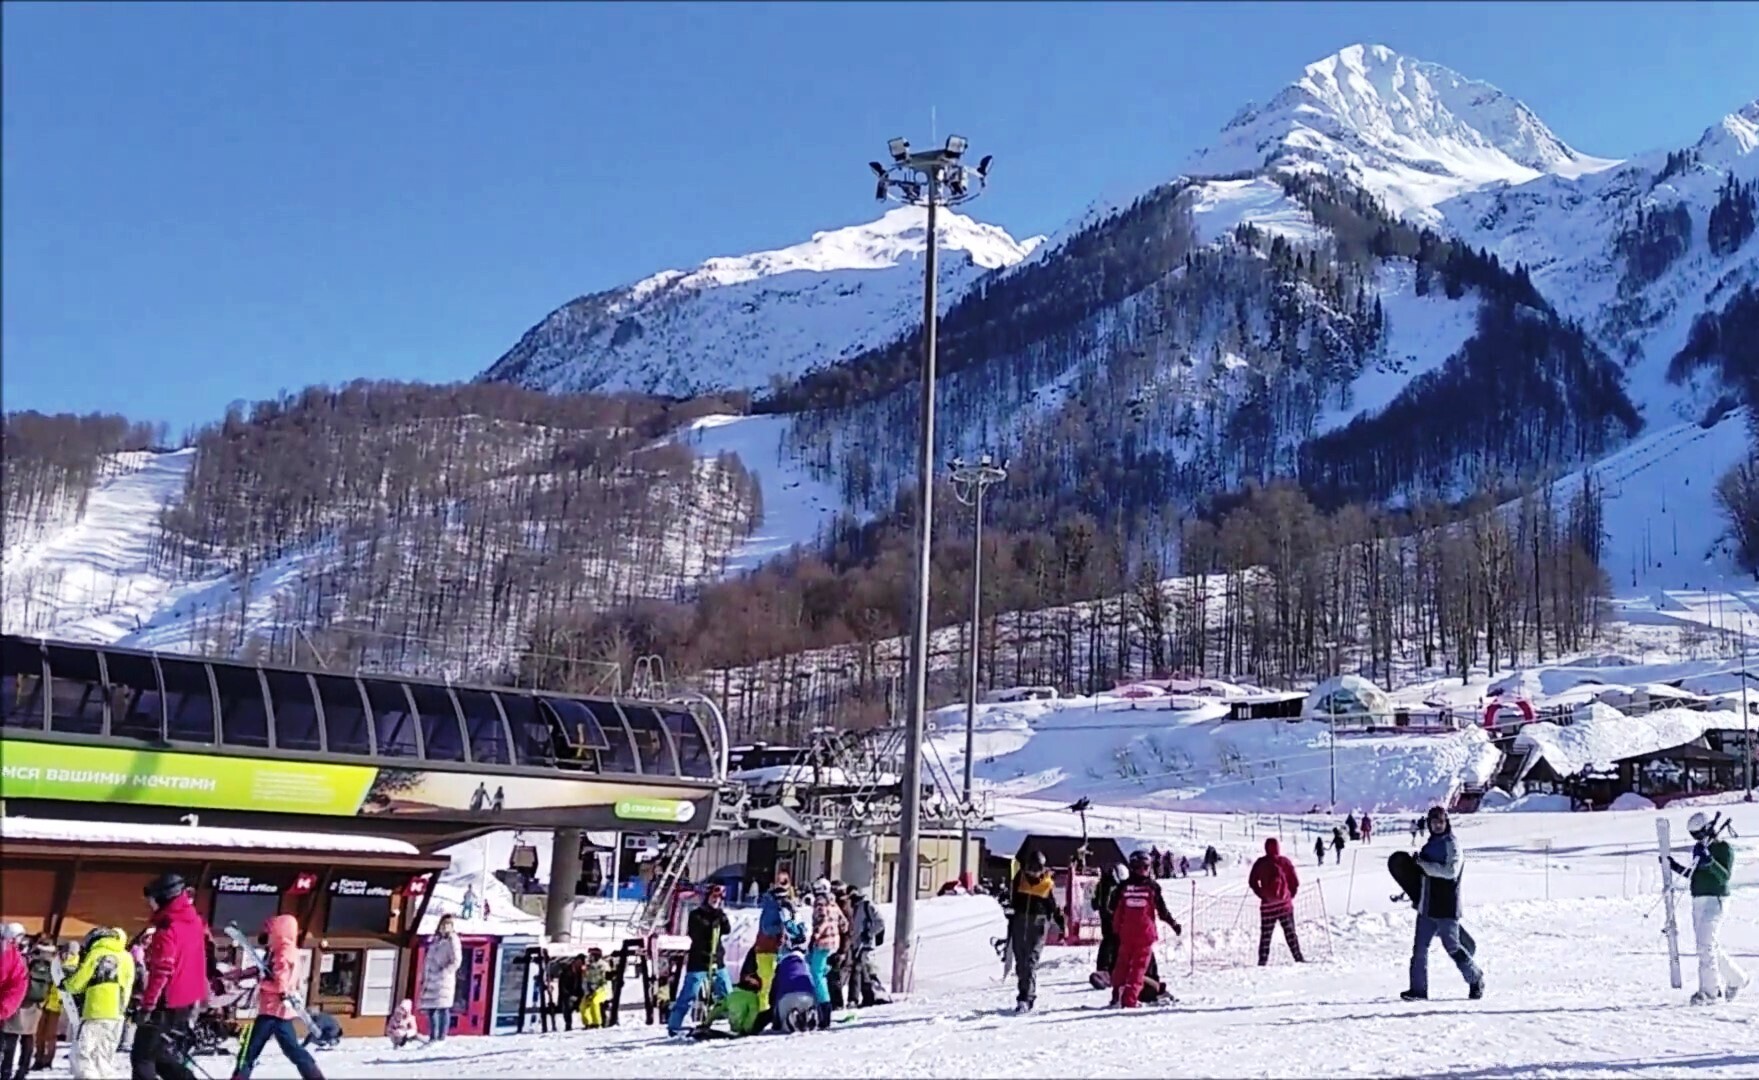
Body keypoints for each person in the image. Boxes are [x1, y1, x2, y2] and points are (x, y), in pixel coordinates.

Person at [1402, 806, 1484, 1002]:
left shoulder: (1452, 844)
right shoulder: (1429, 845)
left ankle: (1475, 978)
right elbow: (1423, 875)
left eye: (1441, 822)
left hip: (1447, 906)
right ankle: (1418, 990)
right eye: (1434, 822)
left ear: (1446, 822)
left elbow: (1450, 872)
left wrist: (1424, 865)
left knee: (1452, 947)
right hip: (1427, 905)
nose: (1437, 825)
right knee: (1419, 949)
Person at [134, 873, 211, 1080]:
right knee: (160, 1055)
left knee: (142, 1058)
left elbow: (162, 970)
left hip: (165, 1001)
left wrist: (148, 1006)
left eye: (151, 900)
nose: (150, 905)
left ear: (163, 898)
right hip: (186, 1000)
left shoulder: (167, 927)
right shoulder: (194, 921)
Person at [1666, 811, 1748, 1005]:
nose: (1698, 839)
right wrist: (1674, 867)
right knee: (1708, 946)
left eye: (1700, 834)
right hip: (1698, 900)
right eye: (1694, 836)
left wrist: (1710, 861)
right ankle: (1737, 978)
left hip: (1716, 899)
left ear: (1709, 829)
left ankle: (1709, 992)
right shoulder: (1700, 848)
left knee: (1706, 946)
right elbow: (1695, 874)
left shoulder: (1723, 848)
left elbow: (1724, 876)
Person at [230, 914, 323, 1080]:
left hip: (273, 1010)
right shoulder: (280, 950)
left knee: (250, 1050)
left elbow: (280, 985)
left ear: (280, 932)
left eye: (270, 931)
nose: (267, 935)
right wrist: (242, 974)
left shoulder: (283, 953)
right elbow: (265, 969)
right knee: (292, 1050)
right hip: (277, 1012)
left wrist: (261, 984)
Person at [1106, 849, 1182, 1009]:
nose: (1143, 870)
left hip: (1126, 934)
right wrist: (1174, 925)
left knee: (1122, 965)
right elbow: (1162, 912)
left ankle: (1117, 996)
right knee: (1138, 969)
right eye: (1141, 867)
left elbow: (1112, 907)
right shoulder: (1152, 887)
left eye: (1146, 867)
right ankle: (1130, 1000)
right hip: (1144, 935)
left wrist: (1116, 928)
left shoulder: (1123, 887)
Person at [63, 926, 135, 1080]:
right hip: (117, 1013)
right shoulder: (127, 957)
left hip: (95, 1010)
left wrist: (66, 983)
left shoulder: (97, 953)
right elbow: (129, 984)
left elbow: (78, 982)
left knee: (83, 1054)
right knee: (104, 1056)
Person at [667, 884, 733, 1036]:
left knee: (728, 993)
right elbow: (697, 933)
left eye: (719, 898)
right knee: (689, 994)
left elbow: (727, 929)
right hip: (700, 961)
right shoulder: (696, 915)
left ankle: (735, 1022)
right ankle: (674, 1025)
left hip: (717, 961)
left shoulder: (718, 914)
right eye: (713, 897)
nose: (716, 901)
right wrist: (711, 921)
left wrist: (721, 917)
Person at [1006, 850, 1066, 1014]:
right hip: (1020, 922)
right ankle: (1024, 992)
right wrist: (1010, 911)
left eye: (1036, 869)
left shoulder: (1047, 884)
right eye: (1030, 868)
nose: (1033, 873)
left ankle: (1026, 997)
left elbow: (1053, 906)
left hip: (1038, 924)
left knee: (1031, 961)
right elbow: (1013, 899)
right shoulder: (1020, 878)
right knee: (1021, 961)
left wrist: (1061, 923)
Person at [1249, 838, 1305, 965]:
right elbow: (1295, 882)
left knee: (1266, 936)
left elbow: (1252, 882)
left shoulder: (1260, 863)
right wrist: (1289, 896)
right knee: (1290, 933)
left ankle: (1262, 962)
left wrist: (1262, 894)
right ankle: (1298, 958)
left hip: (1267, 906)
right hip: (1285, 906)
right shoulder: (1284, 862)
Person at [1, 934, 48, 1080]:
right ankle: (23, 1070)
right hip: (35, 1002)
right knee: (28, 1037)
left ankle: (6, 1071)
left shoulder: (18, 955)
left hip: (18, 1002)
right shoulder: (45, 959)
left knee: (11, 1037)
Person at [806, 881, 848, 1029]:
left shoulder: (820, 902)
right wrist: (836, 931)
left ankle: (824, 1010)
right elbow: (844, 923)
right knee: (821, 971)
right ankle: (821, 1006)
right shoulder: (833, 902)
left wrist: (815, 936)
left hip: (823, 943)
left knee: (816, 974)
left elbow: (822, 920)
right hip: (833, 943)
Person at [752, 875, 796, 1006]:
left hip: (775, 949)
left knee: (774, 982)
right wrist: (782, 926)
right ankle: (763, 1009)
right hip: (766, 950)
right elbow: (767, 929)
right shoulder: (771, 909)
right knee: (767, 983)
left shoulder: (777, 908)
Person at [769, 924, 820, 1033]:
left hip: (787, 997)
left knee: (783, 1021)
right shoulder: (806, 963)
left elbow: (774, 991)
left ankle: (791, 1019)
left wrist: (775, 1020)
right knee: (807, 1003)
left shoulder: (782, 965)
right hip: (808, 995)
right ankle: (809, 1014)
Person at [419, 916, 461, 1043]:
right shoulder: (436, 940)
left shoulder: (453, 940)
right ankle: (433, 1036)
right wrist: (425, 975)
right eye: (443, 925)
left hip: (443, 980)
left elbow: (456, 960)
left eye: (448, 925)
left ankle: (441, 1037)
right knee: (431, 1009)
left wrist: (445, 971)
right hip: (431, 979)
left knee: (443, 1008)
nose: (445, 928)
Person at [692, 971, 769, 1039]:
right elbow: (752, 1015)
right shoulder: (752, 997)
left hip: (734, 1027)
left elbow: (717, 1009)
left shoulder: (731, 994)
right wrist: (746, 1030)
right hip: (746, 1028)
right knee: (768, 1013)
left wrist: (707, 1023)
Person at [1092, 863, 1124, 979]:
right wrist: (1112, 914)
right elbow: (1104, 904)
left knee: (1112, 941)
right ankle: (1104, 968)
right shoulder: (1109, 885)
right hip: (1110, 917)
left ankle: (1111, 968)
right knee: (1110, 941)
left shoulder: (1103, 883)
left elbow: (1095, 903)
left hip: (1108, 916)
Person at [578, 948, 611, 1029]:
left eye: (592, 955)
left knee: (594, 1002)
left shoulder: (603, 965)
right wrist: (587, 991)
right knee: (583, 1005)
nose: (590, 957)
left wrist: (596, 988)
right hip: (590, 990)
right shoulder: (588, 967)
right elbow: (585, 980)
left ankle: (597, 1023)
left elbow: (605, 979)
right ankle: (588, 1023)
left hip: (602, 989)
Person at [552, 955, 584, 1033]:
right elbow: (563, 986)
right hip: (568, 994)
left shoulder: (581, 971)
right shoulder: (567, 971)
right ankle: (568, 1024)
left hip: (579, 993)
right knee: (567, 1006)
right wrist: (570, 995)